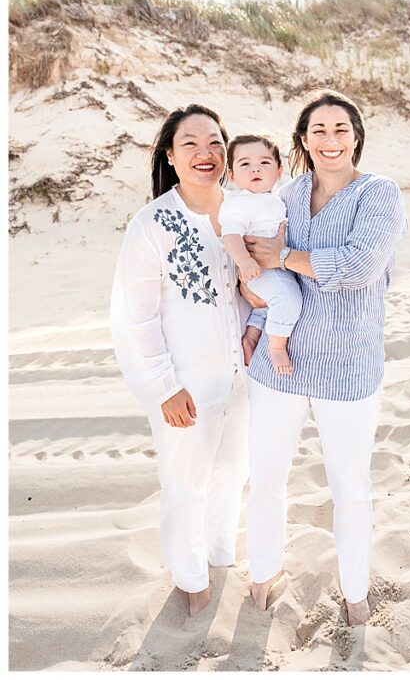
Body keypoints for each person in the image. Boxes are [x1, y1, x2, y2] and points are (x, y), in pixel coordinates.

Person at [241, 90, 407, 625]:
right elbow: (261, 271)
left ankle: (355, 591)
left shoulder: (379, 194)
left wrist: (287, 256)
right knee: (266, 476)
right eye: (318, 130)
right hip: (278, 363)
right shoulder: (283, 196)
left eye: (340, 129)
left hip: (348, 367)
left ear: (356, 136)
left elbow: (359, 266)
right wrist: (255, 318)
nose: (329, 140)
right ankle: (263, 572)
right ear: (303, 140)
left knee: (349, 486)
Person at [111, 104, 259, 617]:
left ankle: (219, 556)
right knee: (184, 484)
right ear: (170, 156)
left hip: (244, 376)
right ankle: (190, 577)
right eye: (191, 144)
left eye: (216, 142)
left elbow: (268, 287)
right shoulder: (153, 223)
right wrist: (162, 386)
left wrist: (259, 331)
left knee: (232, 472)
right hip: (185, 382)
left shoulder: (246, 208)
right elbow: (136, 315)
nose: (206, 153)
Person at [220, 134, 301, 375]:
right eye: (245, 163)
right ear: (232, 175)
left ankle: (252, 335)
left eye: (265, 162)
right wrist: (244, 261)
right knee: (288, 300)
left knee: (267, 307)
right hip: (258, 270)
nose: (256, 168)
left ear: (278, 171)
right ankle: (276, 346)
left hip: (277, 267)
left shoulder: (274, 199)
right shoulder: (239, 202)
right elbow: (231, 234)